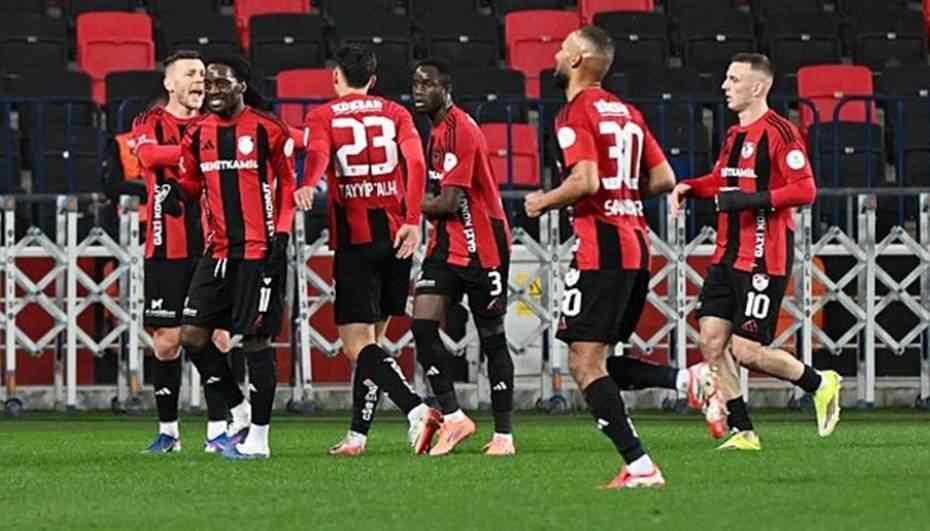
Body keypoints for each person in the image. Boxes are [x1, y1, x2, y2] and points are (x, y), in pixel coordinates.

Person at [524, 26, 707, 489]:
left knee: (584, 364)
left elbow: (585, 181)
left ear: (579, 60)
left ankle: (641, 465)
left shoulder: (574, 112)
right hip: (636, 244)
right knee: (596, 359)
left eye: (563, 48)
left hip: (601, 246)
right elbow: (664, 178)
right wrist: (623, 194)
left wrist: (542, 201)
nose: (557, 54)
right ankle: (684, 381)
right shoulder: (628, 112)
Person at [669, 53, 842, 450]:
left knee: (746, 350)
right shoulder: (734, 135)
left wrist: (749, 201)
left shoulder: (781, 132)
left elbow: (805, 190)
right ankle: (743, 430)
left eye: (734, 80)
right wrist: (690, 187)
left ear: (758, 87)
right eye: (727, 78)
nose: (725, 86)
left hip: (765, 256)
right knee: (711, 341)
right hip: (726, 255)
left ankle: (820, 382)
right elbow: (723, 179)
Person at [293, 45, 442, 456]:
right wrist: (413, 218)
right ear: (372, 80)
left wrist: (307, 182)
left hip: (355, 240)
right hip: (396, 237)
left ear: (335, 77)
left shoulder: (322, 115)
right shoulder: (396, 112)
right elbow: (417, 163)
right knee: (374, 343)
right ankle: (357, 436)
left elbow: (318, 153)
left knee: (357, 346)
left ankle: (417, 410)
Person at [164, 56, 296, 460]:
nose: (213, 90)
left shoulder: (267, 128)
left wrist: (282, 232)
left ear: (241, 86)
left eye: (222, 83)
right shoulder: (197, 132)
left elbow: (288, 182)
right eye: (209, 83)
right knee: (192, 336)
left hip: (260, 252)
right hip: (218, 252)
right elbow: (192, 181)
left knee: (255, 340)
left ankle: (259, 438)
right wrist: (176, 194)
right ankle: (238, 409)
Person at [132, 51, 249, 453]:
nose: (199, 80)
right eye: (190, 74)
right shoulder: (150, 121)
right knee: (166, 341)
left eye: (202, 73)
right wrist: (196, 150)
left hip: (215, 246)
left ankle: (219, 430)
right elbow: (147, 155)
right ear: (169, 83)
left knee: (216, 338)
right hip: (166, 247)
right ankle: (169, 433)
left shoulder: (217, 122)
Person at [408, 59, 515, 456]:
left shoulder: (459, 130)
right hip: (445, 246)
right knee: (422, 326)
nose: (419, 91)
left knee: (492, 338)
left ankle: (503, 435)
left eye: (428, 84)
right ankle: (454, 418)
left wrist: (404, 202)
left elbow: (448, 202)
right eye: (415, 84)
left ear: (447, 88)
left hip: (482, 245)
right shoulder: (436, 130)